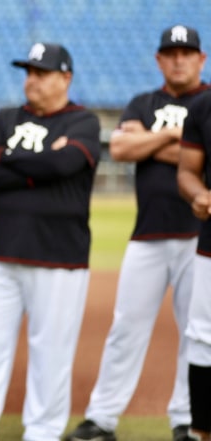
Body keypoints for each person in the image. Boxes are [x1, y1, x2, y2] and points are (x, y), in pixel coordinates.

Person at [65, 25, 208, 441]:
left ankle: (186, 418)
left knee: (194, 334)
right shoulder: (143, 102)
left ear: (201, 58)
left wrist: (150, 140)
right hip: (148, 233)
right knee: (126, 326)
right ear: (158, 60)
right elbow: (123, 149)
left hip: (200, 238)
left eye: (186, 53)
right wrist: (177, 137)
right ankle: (102, 418)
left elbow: (140, 146)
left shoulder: (209, 102)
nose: (178, 59)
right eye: (170, 53)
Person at [0, 43, 101, 441]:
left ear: (65, 78)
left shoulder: (82, 121)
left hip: (59, 257)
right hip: (5, 255)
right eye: (28, 72)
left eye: (41, 72)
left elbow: (64, 163)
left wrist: (8, 159)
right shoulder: (6, 117)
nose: (31, 80)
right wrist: (35, 168)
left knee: (51, 352)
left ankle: (42, 432)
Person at [177, 29, 211, 441]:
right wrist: (199, 194)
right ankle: (201, 432)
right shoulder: (203, 107)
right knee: (203, 339)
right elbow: (186, 171)